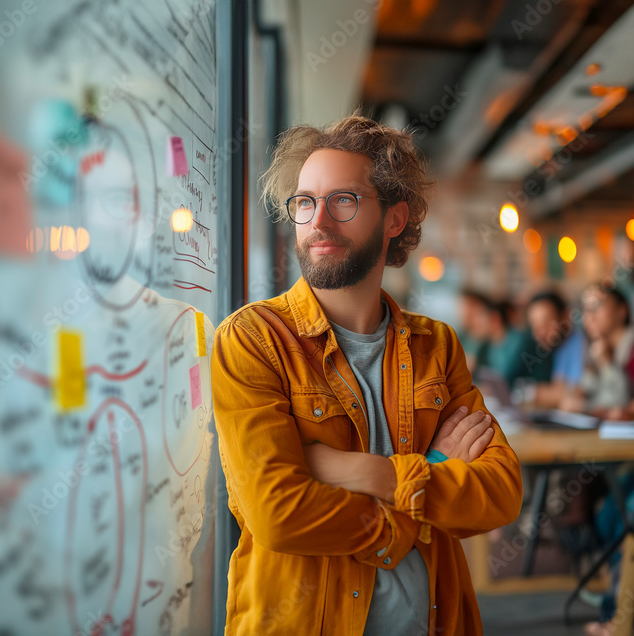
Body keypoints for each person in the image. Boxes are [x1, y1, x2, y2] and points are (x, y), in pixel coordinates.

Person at [211, 115, 523, 635]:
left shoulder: (436, 345)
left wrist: (365, 472)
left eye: (345, 200)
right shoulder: (252, 339)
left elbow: (500, 493)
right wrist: (434, 470)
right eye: (305, 202)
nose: (320, 221)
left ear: (395, 219)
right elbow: (278, 514)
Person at [561, 283, 634, 418]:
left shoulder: (630, 348)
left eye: (596, 306)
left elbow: (620, 403)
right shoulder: (594, 346)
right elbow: (585, 393)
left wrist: (606, 363)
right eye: (585, 309)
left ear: (622, 310)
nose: (589, 316)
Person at [522, 290, 585, 407]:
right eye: (535, 325)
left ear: (565, 317)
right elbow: (558, 388)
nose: (539, 332)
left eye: (546, 322)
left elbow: (577, 394)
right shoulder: (560, 348)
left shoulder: (581, 343)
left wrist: (535, 393)